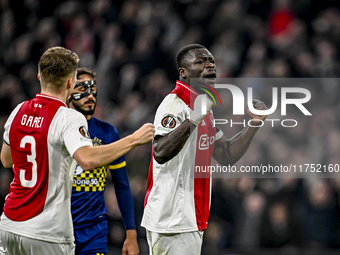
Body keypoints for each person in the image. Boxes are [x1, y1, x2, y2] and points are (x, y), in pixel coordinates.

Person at [0, 46, 155, 255]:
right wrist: (134, 139)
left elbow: (6, 159)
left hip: (10, 225)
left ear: (39, 76)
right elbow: (88, 159)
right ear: (70, 83)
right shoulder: (68, 118)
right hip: (46, 232)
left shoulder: (19, 110)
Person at [141, 44, 267, 255]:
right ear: (183, 72)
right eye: (200, 62)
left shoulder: (204, 108)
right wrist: (193, 118)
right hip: (172, 219)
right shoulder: (174, 104)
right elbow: (160, 152)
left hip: (190, 218)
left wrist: (254, 124)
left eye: (212, 62)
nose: (210, 65)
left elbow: (226, 155)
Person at [68, 67, 139, 255]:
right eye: (82, 89)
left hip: (94, 230)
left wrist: (131, 233)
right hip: (60, 227)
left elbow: (122, 184)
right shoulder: (57, 128)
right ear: (68, 92)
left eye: (93, 89)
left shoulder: (107, 133)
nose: (90, 95)